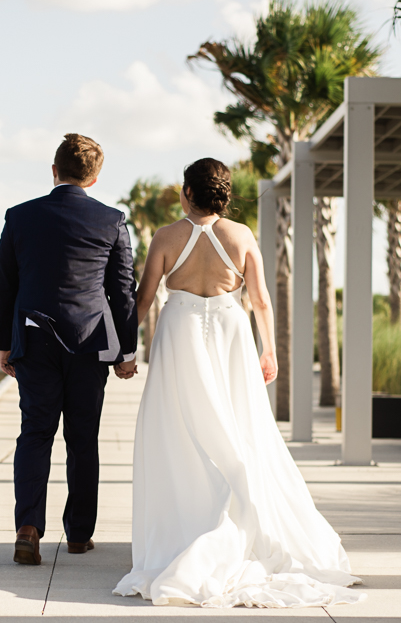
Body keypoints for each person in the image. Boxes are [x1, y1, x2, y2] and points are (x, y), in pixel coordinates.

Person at [113, 158, 364, 608]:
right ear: (223, 194)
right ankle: (237, 524)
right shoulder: (242, 236)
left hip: (180, 336)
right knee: (242, 430)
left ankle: (186, 528)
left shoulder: (167, 237)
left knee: (180, 432)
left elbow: (144, 298)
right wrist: (269, 350)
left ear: (187, 193)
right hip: (232, 333)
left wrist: (127, 353)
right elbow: (261, 299)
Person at [0, 133, 138, 566]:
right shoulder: (112, 220)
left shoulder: (19, 217)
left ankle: (28, 529)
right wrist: (126, 351)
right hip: (90, 345)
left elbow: (5, 284)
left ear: (54, 171)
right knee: (82, 438)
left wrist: (5, 343)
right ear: (94, 178)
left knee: (35, 434)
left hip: (33, 340)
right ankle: (78, 534)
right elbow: (123, 291)